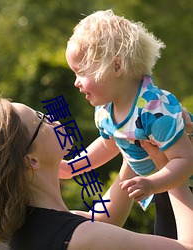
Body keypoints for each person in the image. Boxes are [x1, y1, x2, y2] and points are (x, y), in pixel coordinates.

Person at [0, 98, 193, 250]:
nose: (52, 118)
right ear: (31, 160)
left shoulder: (16, 233)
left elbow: (100, 221)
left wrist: (133, 138)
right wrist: (169, 165)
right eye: (41, 120)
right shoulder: (81, 238)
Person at [61, 9, 193, 239]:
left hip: (182, 186)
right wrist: (72, 167)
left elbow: (185, 160)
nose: (76, 83)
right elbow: (109, 145)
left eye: (81, 72)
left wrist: (152, 183)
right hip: (163, 189)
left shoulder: (154, 109)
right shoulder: (105, 110)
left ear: (116, 67)